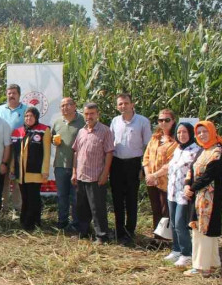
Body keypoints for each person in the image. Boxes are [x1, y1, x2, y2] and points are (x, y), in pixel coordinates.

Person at [182, 121, 222, 277]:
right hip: (198, 196)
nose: (201, 134)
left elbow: (210, 175)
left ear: (212, 131)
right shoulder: (203, 149)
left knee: (205, 231)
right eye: (199, 132)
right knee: (201, 230)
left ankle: (202, 267)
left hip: (211, 198)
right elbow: (192, 169)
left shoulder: (218, 150)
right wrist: (188, 185)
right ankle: (213, 263)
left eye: (205, 131)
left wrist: (192, 188)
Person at [109, 93, 152, 244]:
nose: (123, 106)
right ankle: (119, 230)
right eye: (120, 104)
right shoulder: (115, 121)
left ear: (132, 104)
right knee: (117, 198)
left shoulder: (142, 121)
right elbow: (110, 144)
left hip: (134, 164)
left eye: (126, 103)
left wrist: (143, 168)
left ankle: (129, 230)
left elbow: (148, 146)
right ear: (117, 106)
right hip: (116, 163)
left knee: (131, 199)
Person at [71, 103, 115, 244]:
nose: (89, 116)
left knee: (97, 208)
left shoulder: (105, 131)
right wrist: (74, 172)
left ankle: (102, 236)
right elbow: (76, 152)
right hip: (82, 175)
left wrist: (105, 173)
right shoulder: (81, 131)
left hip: (96, 176)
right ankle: (83, 232)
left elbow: (109, 153)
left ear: (97, 114)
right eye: (86, 114)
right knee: (82, 207)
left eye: (92, 113)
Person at [164, 123, 201, 268]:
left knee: (180, 223)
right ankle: (177, 249)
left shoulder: (196, 150)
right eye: (179, 133)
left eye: (184, 132)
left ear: (191, 133)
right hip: (172, 192)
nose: (181, 135)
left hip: (184, 194)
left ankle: (187, 253)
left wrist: (190, 188)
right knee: (173, 223)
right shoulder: (178, 149)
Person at [11, 107, 51, 231]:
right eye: (26, 116)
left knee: (34, 198)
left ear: (36, 117)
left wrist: (45, 170)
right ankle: (24, 221)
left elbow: (47, 152)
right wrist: (13, 169)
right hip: (21, 173)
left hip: (35, 171)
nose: (28, 118)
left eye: (31, 116)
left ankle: (33, 223)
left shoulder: (44, 130)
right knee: (25, 198)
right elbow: (14, 153)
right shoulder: (18, 131)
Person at [50, 97, 85, 231]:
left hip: (78, 165)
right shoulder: (58, 122)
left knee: (76, 197)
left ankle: (76, 223)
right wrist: (55, 141)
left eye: (68, 105)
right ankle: (62, 221)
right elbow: (53, 138)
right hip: (60, 165)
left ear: (75, 106)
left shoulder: (82, 121)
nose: (65, 108)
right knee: (62, 196)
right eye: (62, 106)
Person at [142, 109, 178, 236]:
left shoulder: (176, 141)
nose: (163, 122)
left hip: (166, 182)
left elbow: (171, 163)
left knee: (165, 211)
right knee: (156, 210)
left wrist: (155, 175)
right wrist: (148, 175)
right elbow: (146, 157)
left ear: (173, 121)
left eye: (167, 120)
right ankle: (157, 237)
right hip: (151, 181)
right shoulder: (155, 137)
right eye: (160, 120)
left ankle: (166, 238)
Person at [0, 84, 27, 217]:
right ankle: (3, 208)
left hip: (18, 149)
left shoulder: (26, 109)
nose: (11, 96)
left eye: (14, 93)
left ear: (19, 95)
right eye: (9, 93)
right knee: (2, 178)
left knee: (16, 179)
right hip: (2, 149)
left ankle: (17, 209)